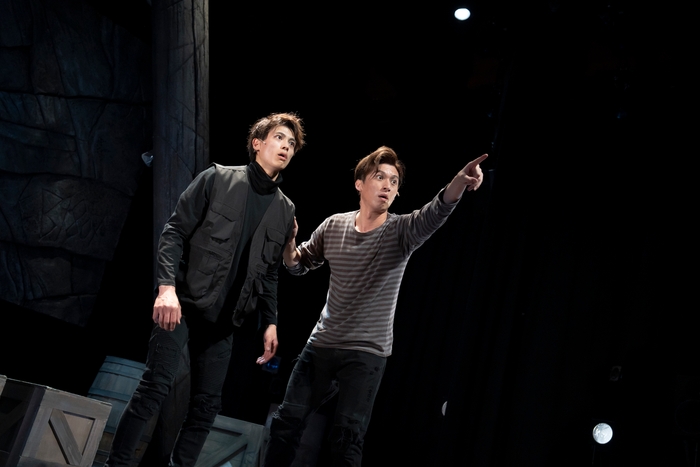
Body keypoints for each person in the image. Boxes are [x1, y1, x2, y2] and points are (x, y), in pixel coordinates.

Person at [263, 146, 488, 466]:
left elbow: (436, 211)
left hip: (366, 353)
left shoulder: (401, 231)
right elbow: (299, 264)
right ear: (360, 184)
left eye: (394, 182)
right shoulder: (334, 225)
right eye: (380, 177)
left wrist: (459, 181)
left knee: (346, 439)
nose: (387, 185)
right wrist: (289, 245)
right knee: (285, 425)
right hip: (322, 345)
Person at [106, 112, 306, 467]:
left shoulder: (284, 209)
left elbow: (270, 273)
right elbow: (174, 232)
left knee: (206, 408)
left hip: (224, 322)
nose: (286, 147)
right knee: (155, 386)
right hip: (182, 303)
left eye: (291, 144)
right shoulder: (217, 178)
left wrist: (271, 322)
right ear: (257, 143)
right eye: (279, 138)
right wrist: (166, 288)